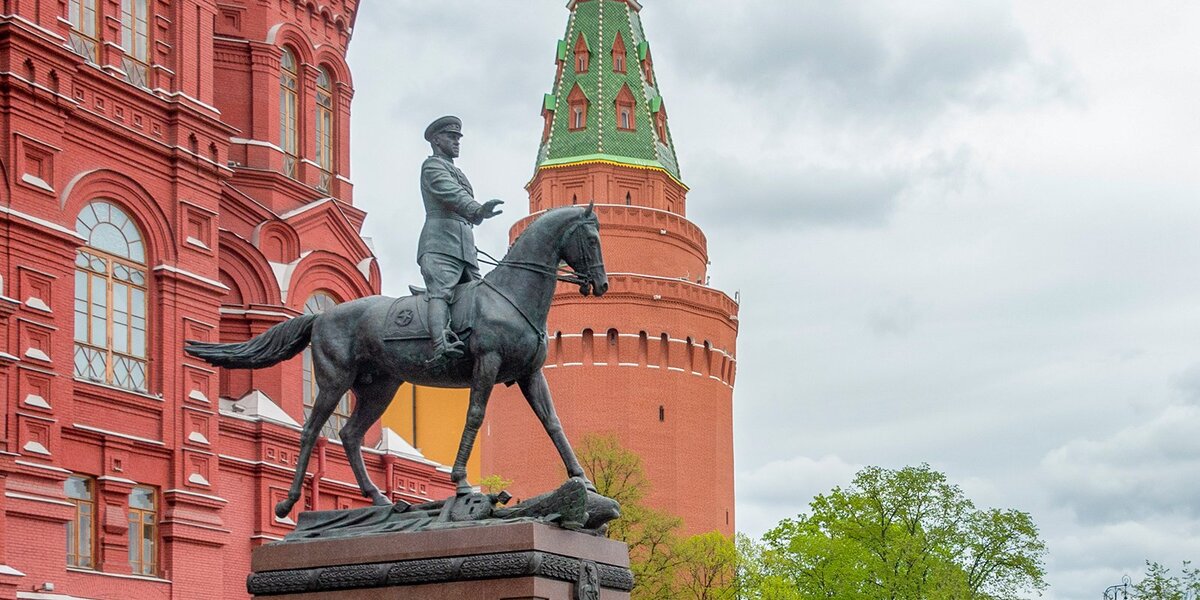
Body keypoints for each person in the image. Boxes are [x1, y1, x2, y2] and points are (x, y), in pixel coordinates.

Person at [417, 116, 504, 363]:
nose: (457, 142)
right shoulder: (432, 167)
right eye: (451, 137)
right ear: (436, 140)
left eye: (458, 138)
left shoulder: (458, 171)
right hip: (440, 244)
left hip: (465, 248)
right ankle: (440, 345)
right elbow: (450, 193)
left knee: (482, 297)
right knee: (441, 292)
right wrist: (477, 210)